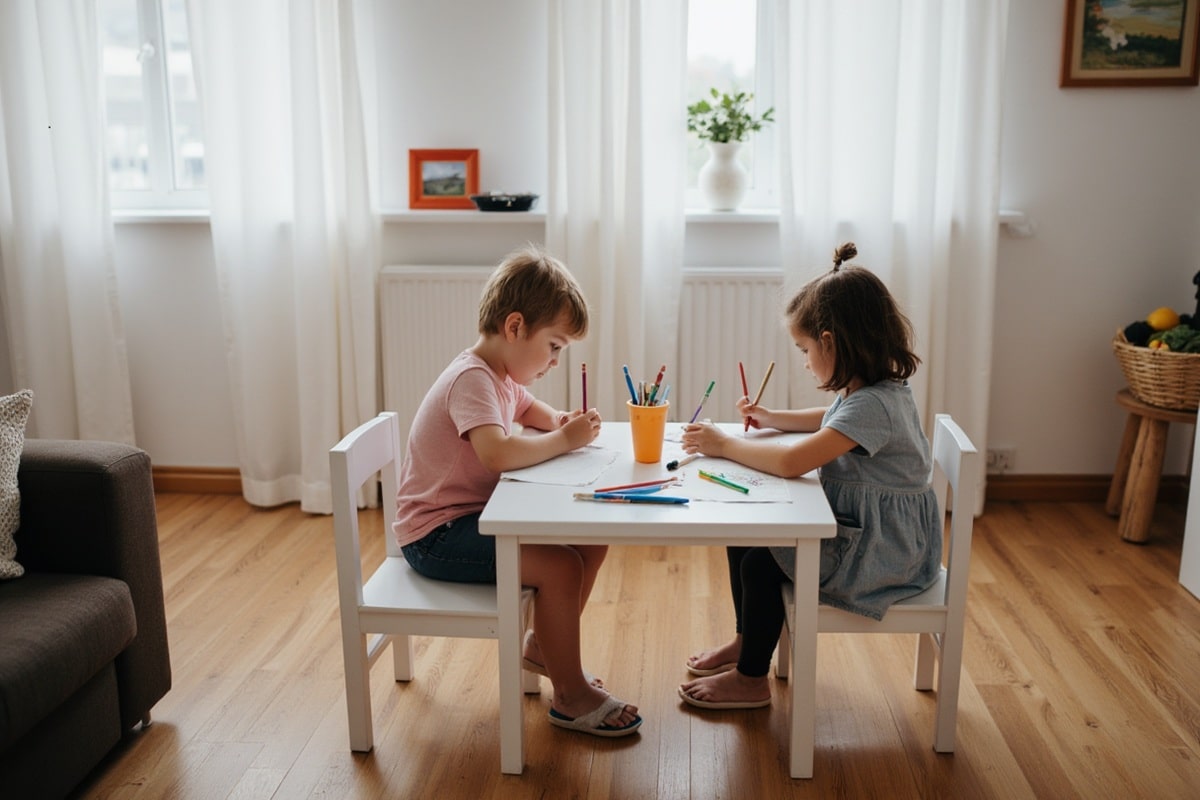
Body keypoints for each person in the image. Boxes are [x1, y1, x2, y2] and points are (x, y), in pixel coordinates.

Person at [677, 242, 943, 710]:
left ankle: (751, 680)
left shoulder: (875, 405)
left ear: (830, 342)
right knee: (746, 537)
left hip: (882, 553)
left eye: (804, 350)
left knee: (762, 565)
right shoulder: (872, 391)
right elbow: (829, 417)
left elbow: (789, 463)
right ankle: (748, 642)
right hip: (872, 534)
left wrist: (722, 445)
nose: (803, 361)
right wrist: (772, 417)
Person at [393, 244, 642, 737]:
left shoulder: (501, 374)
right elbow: (499, 454)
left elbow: (530, 410)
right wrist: (563, 440)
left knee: (591, 539)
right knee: (560, 565)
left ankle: (542, 650)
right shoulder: (471, 379)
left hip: (473, 519)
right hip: (436, 537)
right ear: (514, 327)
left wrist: (560, 422)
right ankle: (569, 696)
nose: (554, 361)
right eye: (553, 346)